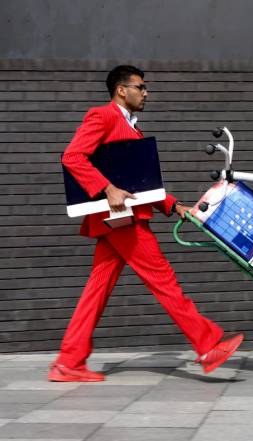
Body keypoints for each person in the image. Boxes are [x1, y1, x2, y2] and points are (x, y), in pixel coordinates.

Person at [49, 65, 243, 382]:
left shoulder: (131, 127)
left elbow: (139, 184)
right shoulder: (103, 116)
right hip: (122, 221)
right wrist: (107, 188)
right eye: (141, 86)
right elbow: (72, 157)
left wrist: (173, 205)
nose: (146, 92)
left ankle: (69, 361)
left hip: (118, 221)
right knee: (164, 281)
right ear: (122, 90)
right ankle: (207, 345)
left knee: (95, 292)